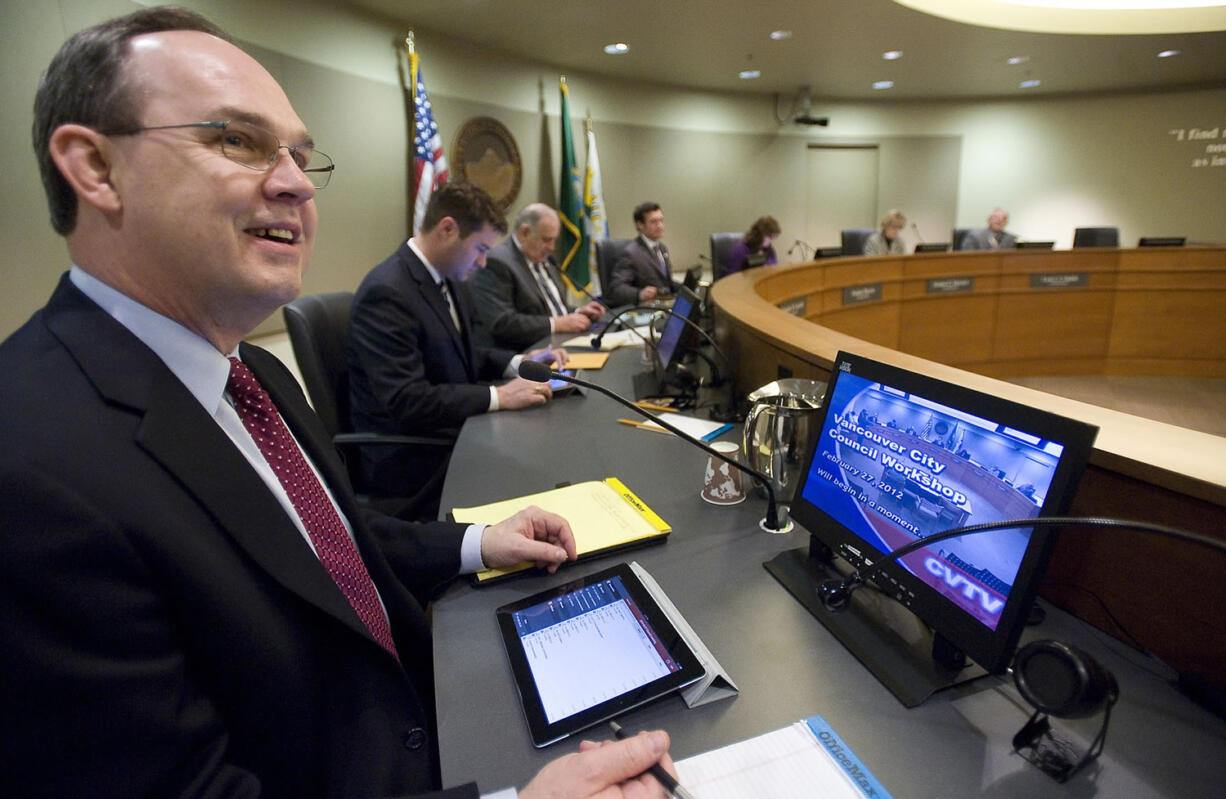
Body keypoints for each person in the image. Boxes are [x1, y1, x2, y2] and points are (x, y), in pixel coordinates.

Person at [0, 8, 677, 797]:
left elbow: (333, 546)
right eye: (238, 141)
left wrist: (475, 543)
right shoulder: (29, 469)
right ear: (95, 166)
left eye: (300, 154)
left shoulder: (251, 371)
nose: (293, 181)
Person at [347, 183, 568, 513]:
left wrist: (521, 363)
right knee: (541, 467)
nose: (482, 263)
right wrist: (500, 396)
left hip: (449, 431)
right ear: (447, 229)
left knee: (550, 441)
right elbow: (408, 400)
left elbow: (463, 354)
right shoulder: (388, 292)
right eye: (480, 248)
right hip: (411, 458)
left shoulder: (448, 277)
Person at [467, 202, 604, 350]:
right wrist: (557, 324)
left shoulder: (543, 259)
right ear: (524, 232)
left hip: (564, 342)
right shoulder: (497, 262)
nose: (551, 247)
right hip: (532, 352)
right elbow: (502, 322)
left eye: (554, 240)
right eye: (546, 240)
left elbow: (549, 308)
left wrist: (577, 312)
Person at [607, 201, 678, 305]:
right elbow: (616, 289)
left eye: (661, 220)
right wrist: (639, 294)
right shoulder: (630, 253)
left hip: (666, 303)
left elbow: (667, 283)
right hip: (647, 309)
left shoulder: (662, 248)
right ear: (640, 225)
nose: (660, 226)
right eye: (654, 222)